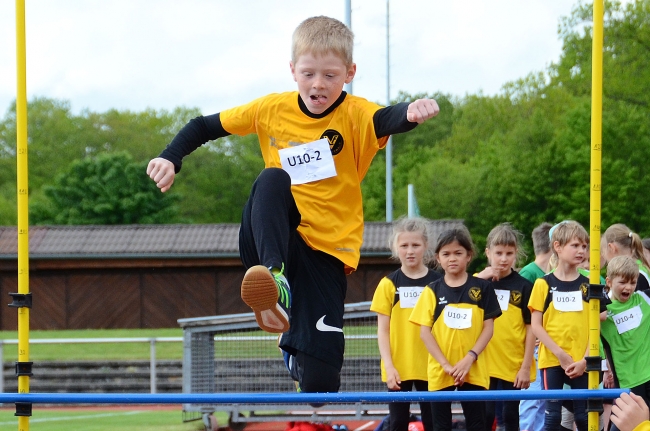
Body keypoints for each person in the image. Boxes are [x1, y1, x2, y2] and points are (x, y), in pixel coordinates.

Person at [146, 16, 440, 393]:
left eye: (331, 76)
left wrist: (411, 114)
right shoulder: (270, 108)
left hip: (328, 252)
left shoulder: (356, 114)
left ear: (350, 73)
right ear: (292, 70)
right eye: (309, 74)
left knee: (321, 387)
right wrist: (171, 157)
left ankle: (294, 352)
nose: (318, 85)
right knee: (272, 178)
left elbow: (388, 117)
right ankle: (274, 279)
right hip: (274, 236)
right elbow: (204, 125)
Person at [410, 226, 502, 431]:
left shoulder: (483, 288)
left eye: (458, 253)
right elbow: (424, 332)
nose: (452, 258)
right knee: (440, 426)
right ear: (438, 258)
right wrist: (445, 364)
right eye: (446, 254)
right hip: (441, 371)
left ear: (468, 256)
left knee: (479, 423)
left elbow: (489, 328)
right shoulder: (431, 291)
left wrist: (470, 357)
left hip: (474, 369)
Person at [370, 217, 441, 431]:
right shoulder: (388, 284)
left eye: (415, 245)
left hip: (431, 365)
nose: (410, 251)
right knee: (398, 422)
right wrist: (389, 367)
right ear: (395, 248)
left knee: (434, 423)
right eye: (404, 245)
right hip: (398, 367)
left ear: (425, 246)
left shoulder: (438, 282)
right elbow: (382, 330)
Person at [528, 220, 591, 431]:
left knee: (583, 417)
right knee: (552, 417)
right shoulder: (543, 284)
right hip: (552, 360)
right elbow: (536, 326)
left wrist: (585, 359)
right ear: (558, 246)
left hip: (582, 359)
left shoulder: (589, 284)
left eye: (584, 246)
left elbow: (596, 326)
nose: (581, 251)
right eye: (575, 245)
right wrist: (560, 354)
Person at [475, 223, 535, 431]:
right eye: (498, 253)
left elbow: (530, 328)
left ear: (516, 253)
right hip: (483, 361)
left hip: (513, 362)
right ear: (488, 253)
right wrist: (479, 279)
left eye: (509, 253)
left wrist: (526, 366)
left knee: (510, 416)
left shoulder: (524, 286)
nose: (503, 258)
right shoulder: (476, 284)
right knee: (485, 415)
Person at [600, 256, 650, 431]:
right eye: (622, 282)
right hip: (629, 382)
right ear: (609, 281)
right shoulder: (602, 311)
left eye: (633, 282)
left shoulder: (644, 298)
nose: (628, 287)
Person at [518, 222, 552, 431]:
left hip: (547, 347)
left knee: (545, 403)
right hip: (532, 349)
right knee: (532, 400)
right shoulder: (529, 275)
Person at [602, 224, 650, 291]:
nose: (603, 255)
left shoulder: (635, 274)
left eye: (603, 251)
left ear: (612, 247)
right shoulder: (641, 266)